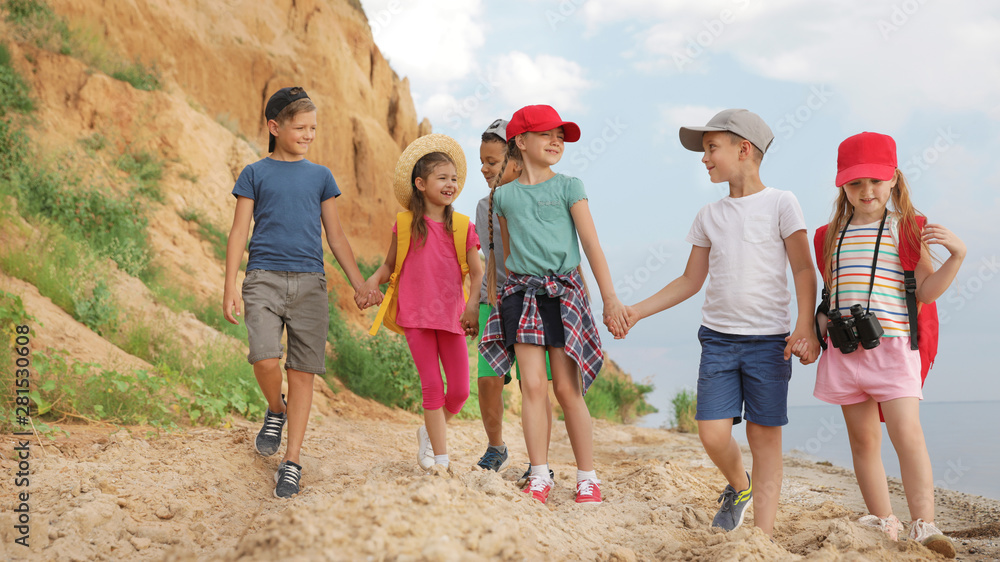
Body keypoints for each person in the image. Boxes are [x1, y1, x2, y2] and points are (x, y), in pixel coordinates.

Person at [622, 109, 819, 535]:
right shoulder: (708, 215)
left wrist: (806, 326)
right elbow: (691, 280)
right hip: (718, 341)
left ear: (743, 149)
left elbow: (805, 270)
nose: (704, 158)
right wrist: (638, 310)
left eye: (711, 147)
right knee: (712, 434)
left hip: (770, 342)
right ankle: (739, 486)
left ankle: (761, 538)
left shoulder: (782, 203)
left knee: (765, 441)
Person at [802, 132, 964, 557]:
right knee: (862, 441)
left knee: (907, 435)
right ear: (842, 185)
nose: (866, 191)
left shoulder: (907, 228)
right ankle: (883, 518)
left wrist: (958, 257)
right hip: (844, 351)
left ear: (893, 179)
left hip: (892, 348)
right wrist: (818, 324)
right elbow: (829, 294)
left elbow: (926, 293)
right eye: (855, 183)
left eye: (875, 181)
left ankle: (924, 524)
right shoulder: (828, 235)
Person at [223, 86, 371, 498]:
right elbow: (239, 231)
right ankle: (276, 409)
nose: (309, 134)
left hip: (310, 282)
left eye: (313, 128)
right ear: (275, 126)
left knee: (302, 373)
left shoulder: (321, 177)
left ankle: (292, 461)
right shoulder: (254, 173)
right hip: (263, 277)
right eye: (301, 127)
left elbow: (336, 236)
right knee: (265, 357)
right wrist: (230, 283)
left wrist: (359, 283)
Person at [479, 105, 629, 505]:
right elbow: (510, 255)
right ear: (521, 142)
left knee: (566, 387)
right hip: (521, 295)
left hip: (564, 295)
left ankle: (587, 477)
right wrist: (506, 294)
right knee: (531, 386)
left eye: (560, 136)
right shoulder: (503, 198)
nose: (556, 141)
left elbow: (591, 246)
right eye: (547, 134)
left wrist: (609, 298)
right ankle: (540, 475)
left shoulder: (569, 187)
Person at [360, 134, 483, 473]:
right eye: (442, 178)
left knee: (458, 392)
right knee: (432, 388)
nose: (451, 185)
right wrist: (372, 281)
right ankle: (441, 462)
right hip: (415, 317)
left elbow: (478, 271)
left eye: (454, 179)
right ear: (420, 183)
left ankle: (430, 430)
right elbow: (388, 266)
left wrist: (472, 305)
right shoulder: (403, 225)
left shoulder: (462, 226)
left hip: (452, 317)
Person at [474, 119, 554, 478]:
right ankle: (496, 446)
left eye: (492, 161)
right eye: (483, 160)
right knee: (489, 379)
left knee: (533, 383)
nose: (484, 168)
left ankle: (541, 462)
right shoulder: (483, 205)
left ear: (516, 161)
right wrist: (478, 302)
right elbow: (487, 258)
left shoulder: (542, 199)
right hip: (495, 299)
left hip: (535, 300)